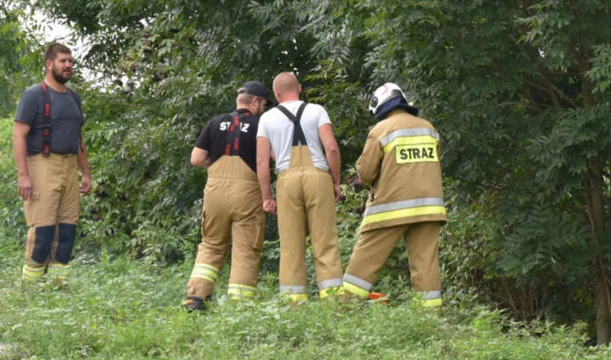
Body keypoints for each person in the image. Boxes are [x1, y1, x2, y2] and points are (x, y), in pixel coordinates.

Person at [341, 83, 446, 308]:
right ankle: (430, 321)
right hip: (429, 209)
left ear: (378, 107)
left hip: (389, 209)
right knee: (426, 265)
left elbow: (366, 173)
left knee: (364, 261)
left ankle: (343, 310)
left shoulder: (381, 130)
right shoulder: (428, 127)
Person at [182, 81, 274, 312]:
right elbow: (270, 157)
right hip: (248, 192)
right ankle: (239, 305)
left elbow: (196, 158)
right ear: (255, 101)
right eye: (264, 104)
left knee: (211, 244)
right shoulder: (261, 124)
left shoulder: (214, 123)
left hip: (215, 191)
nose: (264, 108)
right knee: (246, 248)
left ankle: (195, 298)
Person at [256, 72, 344, 302]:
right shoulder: (317, 110)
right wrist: (335, 181)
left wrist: (267, 196)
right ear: (300, 88)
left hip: (287, 180)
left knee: (291, 245)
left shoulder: (267, 119)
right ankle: (333, 301)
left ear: (276, 94)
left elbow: (262, 162)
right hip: (318, 177)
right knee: (325, 241)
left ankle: (294, 304)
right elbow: (332, 148)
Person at [12, 42, 92, 285]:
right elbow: (18, 134)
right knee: (42, 231)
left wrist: (85, 173)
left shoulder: (73, 98)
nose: (68, 65)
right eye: (62, 61)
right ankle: (30, 289)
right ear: (49, 64)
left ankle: (58, 288)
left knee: (67, 231)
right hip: (42, 165)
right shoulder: (34, 95)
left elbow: (78, 138)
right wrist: (23, 175)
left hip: (69, 168)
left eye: (70, 61)